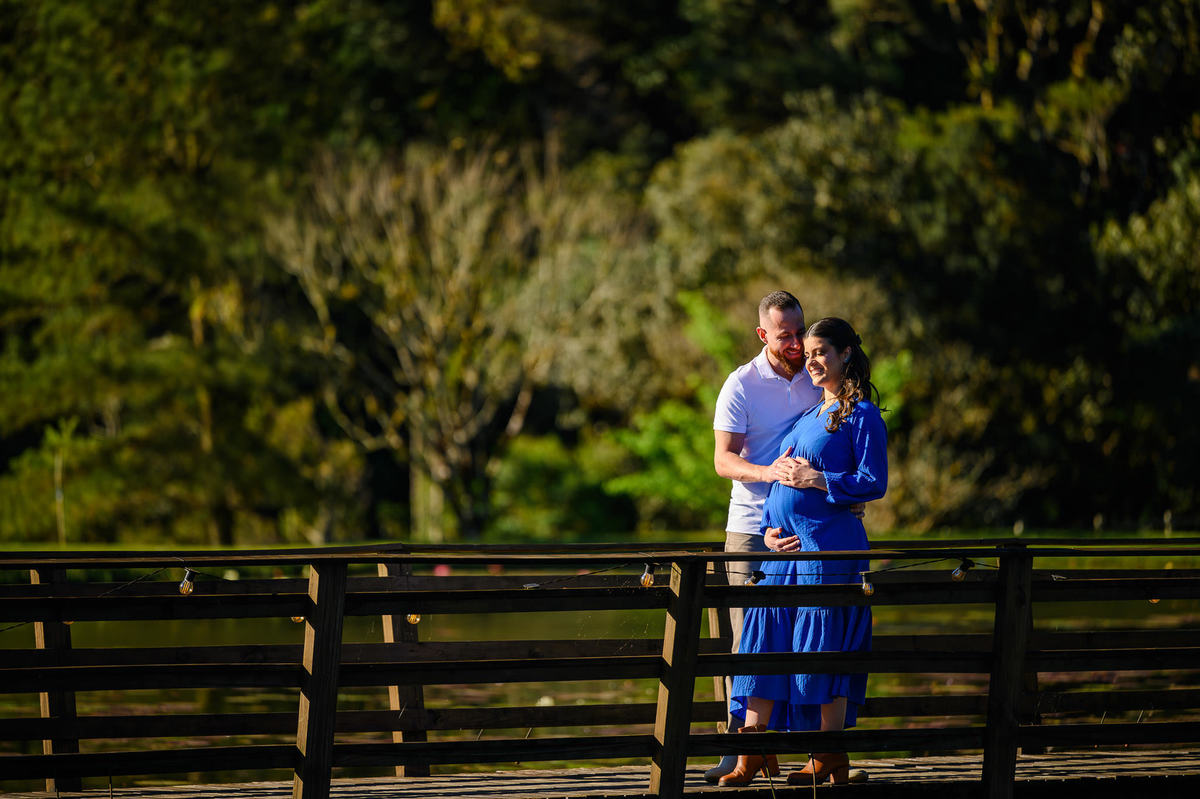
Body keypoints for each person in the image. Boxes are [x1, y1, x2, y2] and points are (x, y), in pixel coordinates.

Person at [719, 317, 887, 787]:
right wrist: (771, 530)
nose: (810, 359)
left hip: (829, 549)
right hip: (785, 552)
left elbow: (874, 482)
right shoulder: (810, 414)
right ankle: (752, 750)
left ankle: (828, 752)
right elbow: (778, 482)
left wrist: (819, 481)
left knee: (823, 642)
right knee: (764, 640)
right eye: (807, 353)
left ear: (846, 354)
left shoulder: (862, 415)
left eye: (821, 352)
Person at [707, 291, 823, 783]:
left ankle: (811, 751)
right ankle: (741, 753)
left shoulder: (820, 378)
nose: (796, 343)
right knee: (747, 641)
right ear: (763, 335)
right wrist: (769, 473)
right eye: (785, 336)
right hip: (752, 529)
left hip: (806, 529)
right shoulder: (741, 384)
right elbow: (723, 460)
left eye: (800, 332)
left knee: (805, 635)